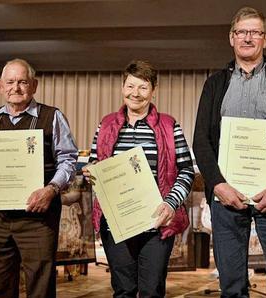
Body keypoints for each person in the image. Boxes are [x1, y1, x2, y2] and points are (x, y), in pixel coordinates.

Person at [193, 6, 266, 298]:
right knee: (231, 286)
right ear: (231, 38)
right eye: (242, 32)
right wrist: (218, 185)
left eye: (255, 32)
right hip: (227, 197)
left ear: (265, 39)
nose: (248, 38)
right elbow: (201, 141)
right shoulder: (214, 83)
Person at [82, 60, 194, 297]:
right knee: (123, 290)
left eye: (143, 87)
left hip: (157, 222)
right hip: (115, 223)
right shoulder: (105, 124)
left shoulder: (169, 124)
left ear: (153, 90)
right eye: (131, 86)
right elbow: (94, 164)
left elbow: (186, 171)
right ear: (123, 87)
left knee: (152, 291)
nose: (136, 93)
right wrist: (91, 172)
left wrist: (170, 203)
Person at [0, 58, 78, 298]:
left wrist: (51, 189)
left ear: (34, 85)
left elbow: (69, 161)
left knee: (40, 286)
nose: (16, 88)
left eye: (22, 82)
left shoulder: (53, 116)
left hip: (38, 217)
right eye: (10, 82)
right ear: (0, 86)